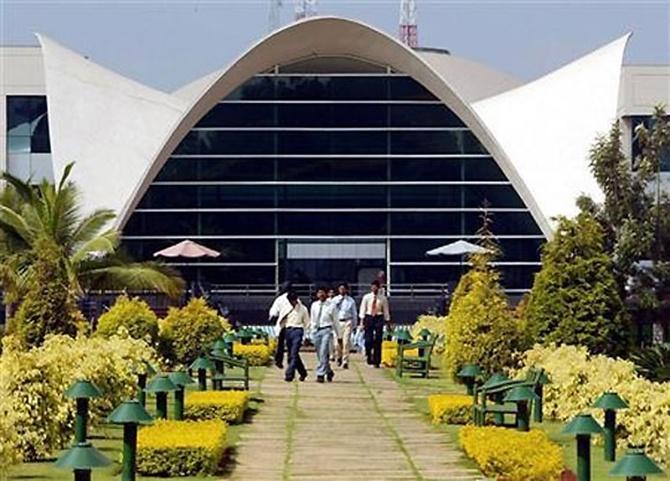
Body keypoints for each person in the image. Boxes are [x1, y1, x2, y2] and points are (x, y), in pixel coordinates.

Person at [310, 287, 341, 383]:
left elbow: (336, 321)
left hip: (327, 329)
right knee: (320, 354)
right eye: (319, 292)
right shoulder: (314, 305)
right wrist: (310, 333)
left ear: (326, 294)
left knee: (324, 351)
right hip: (316, 330)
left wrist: (339, 335)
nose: (321, 294)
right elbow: (312, 320)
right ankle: (328, 371)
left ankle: (320, 374)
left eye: (323, 292)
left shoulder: (332, 306)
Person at [278, 291, 309, 382]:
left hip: (298, 330)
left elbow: (307, 323)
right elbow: (282, 320)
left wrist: (306, 336)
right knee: (292, 354)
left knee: (294, 353)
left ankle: (289, 374)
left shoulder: (303, 309)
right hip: (288, 330)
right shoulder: (286, 308)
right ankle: (302, 372)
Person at [359, 280, 390, 368]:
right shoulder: (366, 297)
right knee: (368, 340)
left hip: (378, 317)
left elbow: (386, 311)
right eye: (373, 287)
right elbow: (362, 309)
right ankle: (369, 355)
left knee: (378, 339)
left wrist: (387, 323)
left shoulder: (383, 298)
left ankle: (377, 360)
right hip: (369, 317)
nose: (374, 288)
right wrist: (361, 321)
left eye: (376, 287)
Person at [332, 282, 358, 369]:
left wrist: (354, 325)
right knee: (337, 343)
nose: (342, 290)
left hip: (347, 321)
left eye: (344, 289)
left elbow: (354, 313)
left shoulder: (350, 301)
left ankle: (345, 360)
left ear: (346, 290)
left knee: (346, 342)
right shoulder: (334, 300)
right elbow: (331, 312)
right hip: (337, 322)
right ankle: (338, 356)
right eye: (340, 289)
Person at [269, 281, 292, 368]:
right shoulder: (295, 299)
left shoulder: (279, 299)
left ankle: (279, 361)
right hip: (292, 325)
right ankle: (290, 361)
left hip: (282, 325)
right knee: (291, 345)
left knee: (280, 344)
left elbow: (273, 313)